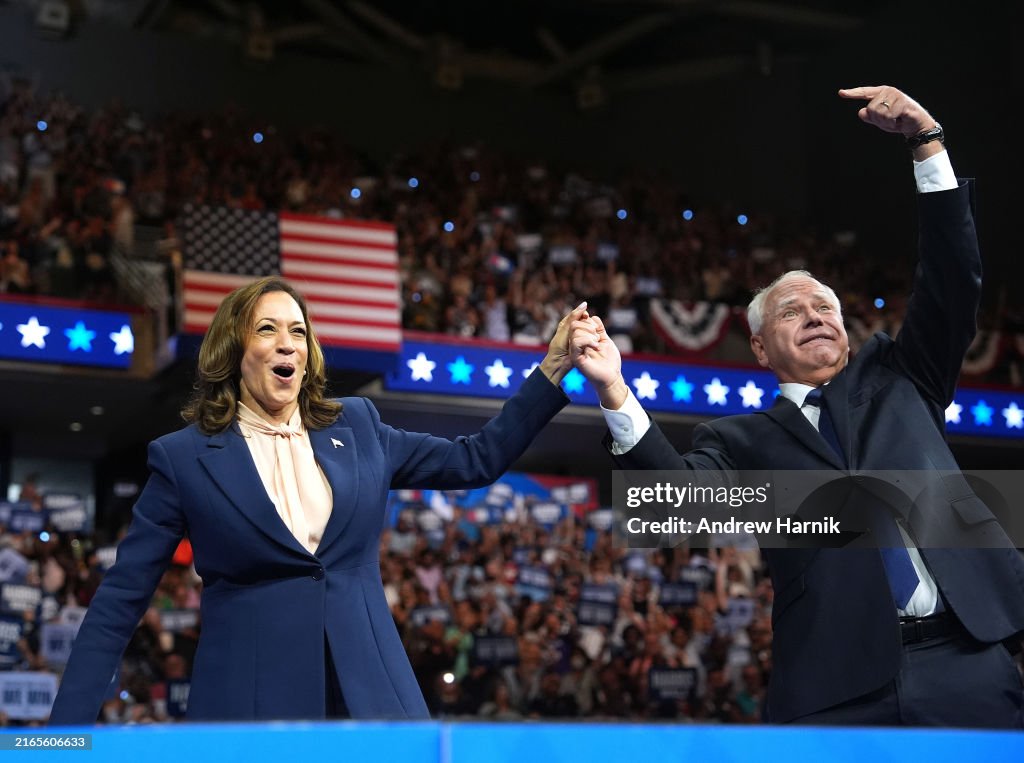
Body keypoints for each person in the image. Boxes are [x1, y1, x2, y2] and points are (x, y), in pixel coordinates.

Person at [571, 86, 1024, 727]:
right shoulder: (739, 442)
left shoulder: (901, 377)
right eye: (792, 311)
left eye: (825, 309)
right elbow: (673, 507)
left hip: (967, 656)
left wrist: (928, 142)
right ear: (760, 347)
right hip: (837, 687)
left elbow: (952, 279)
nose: (814, 316)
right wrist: (616, 390)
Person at [50, 276, 587, 724]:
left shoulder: (358, 425)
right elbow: (119, 604)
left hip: (374, 702)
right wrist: (62, 737)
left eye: (298, 332)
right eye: (267, 329)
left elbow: (476, 460)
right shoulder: (183, 458)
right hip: (250, 709)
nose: (288, 343)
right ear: (234, 350)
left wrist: (552, 371)